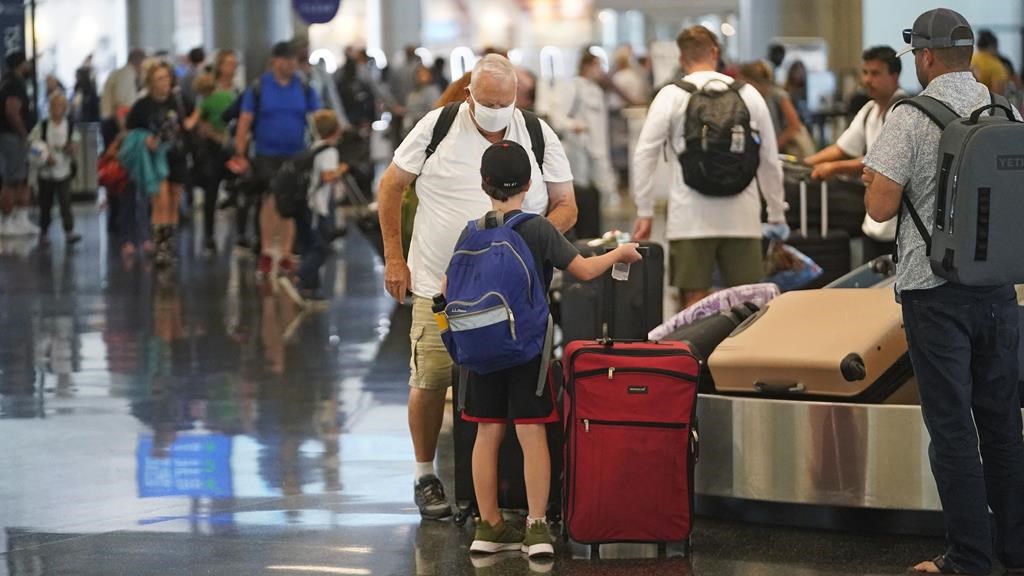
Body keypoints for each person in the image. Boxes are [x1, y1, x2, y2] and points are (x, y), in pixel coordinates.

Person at [378, 53, 576, 519]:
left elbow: (566, 203)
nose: (495, 112)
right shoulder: (437, 126)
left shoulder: (536, 132)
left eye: (503, 103)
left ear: (516, 97)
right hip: (440, 287)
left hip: (515, 296)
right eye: (487, 103)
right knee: (430, 378)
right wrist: (394, 258)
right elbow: (390, 187)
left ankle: (513, 506)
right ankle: (425, 473)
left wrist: (535, 240)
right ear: (469, 94)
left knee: (512, 396)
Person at [863, 8, 1024, 575]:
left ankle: (969, 558)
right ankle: (1014, 548)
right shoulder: (1004, 108)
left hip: (934, 290)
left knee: (953, 428)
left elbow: (879, 207)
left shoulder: (910, 116)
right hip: (1000, 289)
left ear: (925, 57)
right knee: (1003, 425)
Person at [453, 140, 640, 557]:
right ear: (530, 182)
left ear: (484, 183)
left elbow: (451, 288)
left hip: (480, 349)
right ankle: (536, 528)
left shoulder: (471, 229)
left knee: (486, 431)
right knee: (531, 430)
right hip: (527, 349)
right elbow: (586, 270)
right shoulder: (537, 228)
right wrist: (620, 253)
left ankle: (490, 525)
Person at [631, 26, 787, 310]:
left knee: (693, 303)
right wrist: (776, 213)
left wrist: (645, 210)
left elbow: (645, 154)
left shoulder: (671, 95)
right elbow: (769, 158)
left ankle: (697, 356)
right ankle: (742, 355)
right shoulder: (749, 94)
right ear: (715, 52)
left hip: (689, 217)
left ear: (681, 58)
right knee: (750, 303)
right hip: (743, 216)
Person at [805, 45, 906, 259]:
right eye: (865, 72)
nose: (867, 80)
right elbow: (841, 148)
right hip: (872, 223)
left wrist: (833, 168)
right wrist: (804, 164)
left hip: (899, 225)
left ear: (894, 75)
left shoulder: (904, 111)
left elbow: (880, 161)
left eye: (876, 73)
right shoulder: (870, 109)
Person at [231, 41, 322, 277]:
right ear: (276, 61)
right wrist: (240, 153)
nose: (292, 64)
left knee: (291, 202)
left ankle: (286, 254)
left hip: (297, 153)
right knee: (271, 200)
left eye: (295, 59)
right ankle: (267, 250)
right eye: (288, 59)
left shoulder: (303, 86)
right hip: (267, 153)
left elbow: (317, 117)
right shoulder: (259, 87)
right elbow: (245, 121)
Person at [125, 61, 198, 265]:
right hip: (156, 158)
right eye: (159, 78)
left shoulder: (178, 100)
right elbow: (129, 131)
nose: (164, 82)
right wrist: (144, 139)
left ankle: (169, 243)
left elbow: (189, 119)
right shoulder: (142, 105)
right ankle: (161, 245)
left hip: (177, 155)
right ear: (150, 81)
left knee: (175, 200)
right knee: (161, 200)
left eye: (167, 77)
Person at [279, 110, 348, 308]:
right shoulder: (329, 151)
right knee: (322, 247)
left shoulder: (313, 147)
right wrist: (341, 169)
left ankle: (310, 289)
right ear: (335, 130)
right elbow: (327, 176)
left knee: (308, 245)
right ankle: (298, 277)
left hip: (304, 204)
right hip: (318, 207)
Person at [549, 51, 617, 203]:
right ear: (587, 66)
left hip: (599, 148)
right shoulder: (573, 86)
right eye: (598, 66)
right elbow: (557, 116)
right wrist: (574, 125)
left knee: (603, 190)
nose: (600, 70)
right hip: (581, 148)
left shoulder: (597, 90)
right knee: (582, 190)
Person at [194, 50, 240, 255]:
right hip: (213, 148)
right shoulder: (208, 91)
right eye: (229, 63)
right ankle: (208, 236)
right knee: (211, 191)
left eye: (235, 64)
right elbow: (200, 121)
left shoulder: (238, 90)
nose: (233, 67)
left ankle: (240, 234)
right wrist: (217, 137)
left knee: (239, 189)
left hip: (233, 146)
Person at [30, 91, 82, 246]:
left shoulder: (70, 125)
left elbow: (75, 142)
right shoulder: (43, 126)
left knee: (65, 202)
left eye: (60, 106)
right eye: (54, 106)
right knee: (45, 203)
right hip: (45, 172)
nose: (57, 109)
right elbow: (32, 143)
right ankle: (44, 232)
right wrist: (44, 156)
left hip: (64, 170)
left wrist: (71, 148)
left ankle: (69, 231)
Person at [738, 60, 815, 160]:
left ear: (752, 80)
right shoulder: (755, 98)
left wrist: (774, 146)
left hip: (783, 152)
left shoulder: (777, 95)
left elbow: (795, 126)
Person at [0, 51, 38, 237]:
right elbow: (12, 111)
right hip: (12, 137)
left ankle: (19, 219)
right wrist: (23, 134)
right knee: (12, 180)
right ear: (20, 64)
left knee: (21, 178)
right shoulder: (13, 84)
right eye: (27, 64)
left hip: (14, 137)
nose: (29, 67)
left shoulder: (11, 82)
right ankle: (6, 221)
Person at [100, 48, 145, 147]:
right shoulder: (126, 75)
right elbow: (119, 106)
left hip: (111, 123)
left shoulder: (118, 72)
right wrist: (124, 131)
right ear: (140, 62)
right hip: (116, 125)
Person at [402, 65, 441, 138]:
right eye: (418, 75)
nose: (420, 77)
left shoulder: (432, 91)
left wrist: (417, 120)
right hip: (411, 129)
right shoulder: (413, 93)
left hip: (425, 130)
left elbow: (434, 111)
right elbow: (408, 110)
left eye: (423, 74)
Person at [971, 29, 1009, 96]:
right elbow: (998, 94)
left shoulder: (969, 60)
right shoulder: (996, 66)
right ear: (992, 46)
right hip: (988, 104)